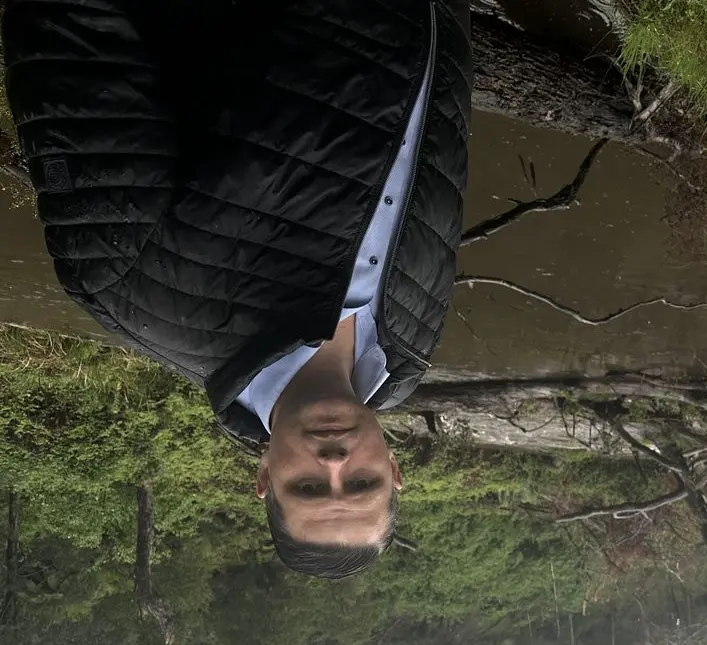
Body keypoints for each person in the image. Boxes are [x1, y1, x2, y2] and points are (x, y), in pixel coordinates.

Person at [4, 0, 472, 577]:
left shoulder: (128, 285)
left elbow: (65, 43)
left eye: (307, 486)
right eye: (362, 481)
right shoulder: (412, 338)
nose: (334, 460)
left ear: (263, 477)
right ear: (396, 470)